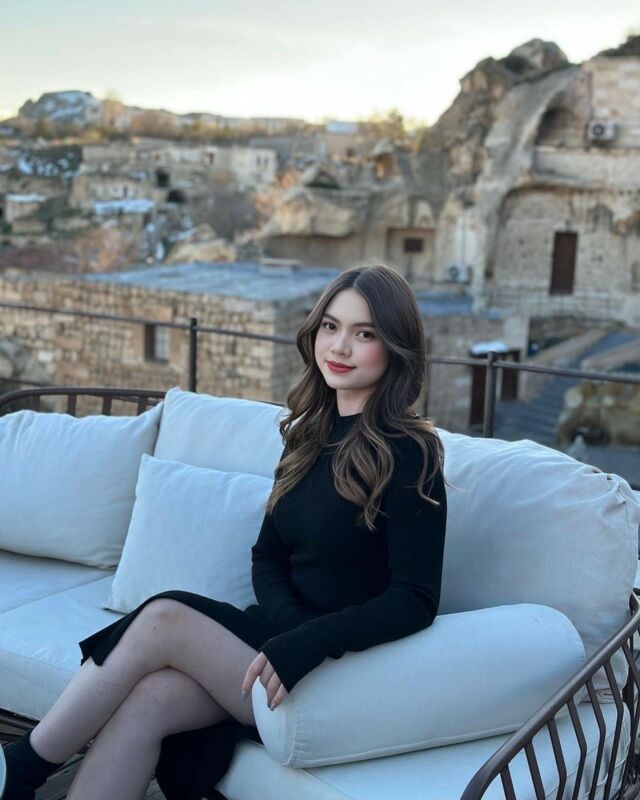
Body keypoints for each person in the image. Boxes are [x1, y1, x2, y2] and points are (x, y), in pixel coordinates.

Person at [2, 264, 448, 800]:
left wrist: (309, 640)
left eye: (365, 333)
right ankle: (20, 775)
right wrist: (287, 629)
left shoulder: (410, 451)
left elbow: (415, 598)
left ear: (395, 348)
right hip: (277, 646)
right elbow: (268, 557)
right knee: (148, 701)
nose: (340, 346)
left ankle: (19, 770)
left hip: (342, 666)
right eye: (331, 326)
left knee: (165, 617)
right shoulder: (307, 437)